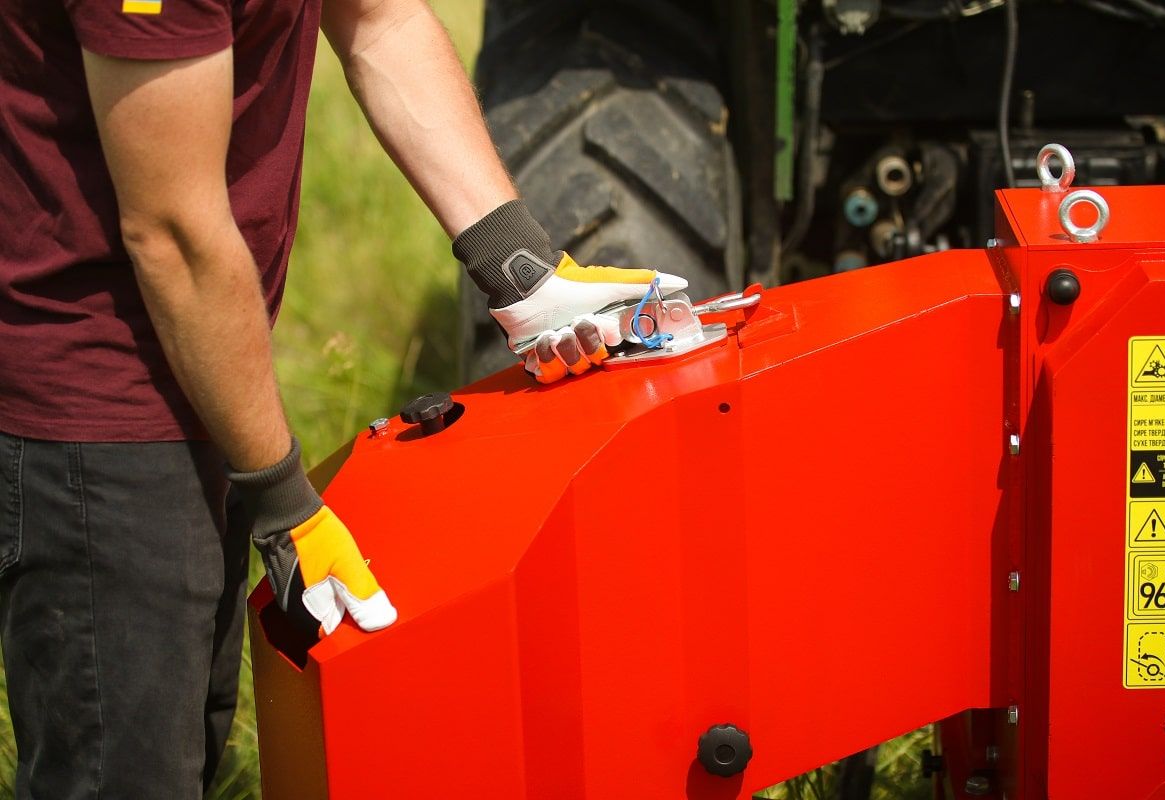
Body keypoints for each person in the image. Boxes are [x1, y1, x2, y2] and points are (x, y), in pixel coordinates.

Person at [0, 0, 685, 796]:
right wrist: (283, 499)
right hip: (100, 414)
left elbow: (379, 19)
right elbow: (174, 234)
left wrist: (524, 272)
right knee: (127, 775)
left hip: (203, 373)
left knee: (189, 745)